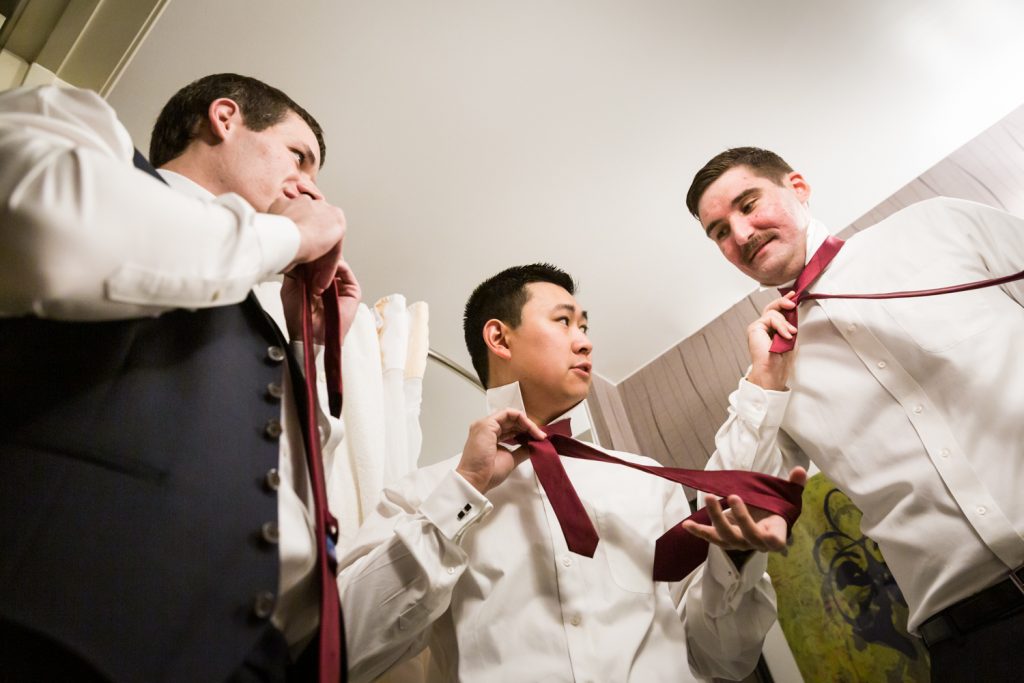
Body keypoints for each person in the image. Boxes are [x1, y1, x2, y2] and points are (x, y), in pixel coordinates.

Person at [0, 74, 358, 681]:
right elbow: (50, 234)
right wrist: (292, 236)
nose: (310, 188)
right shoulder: (76, 122)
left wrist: (304, 349)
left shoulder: (256, 315)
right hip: (64, 628)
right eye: (300, 156)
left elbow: (271, 498)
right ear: (224, 118)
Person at [338, 263, 804, 683]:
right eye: (563, 321)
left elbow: (722, 660)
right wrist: (463, 490)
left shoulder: (646, 481)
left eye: (584, 325)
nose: (585, 340)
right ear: (499, 338)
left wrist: (737, 563)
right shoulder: (421, 494)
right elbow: (346, 649)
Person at [685, 146, 1024, 682]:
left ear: (797, 186)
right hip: (976, 644)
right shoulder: (772, 369)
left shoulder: (940, 226)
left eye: (748, 205)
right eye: (720, 232)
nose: (742, 234)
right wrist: (764, 382)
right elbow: (723, 506)